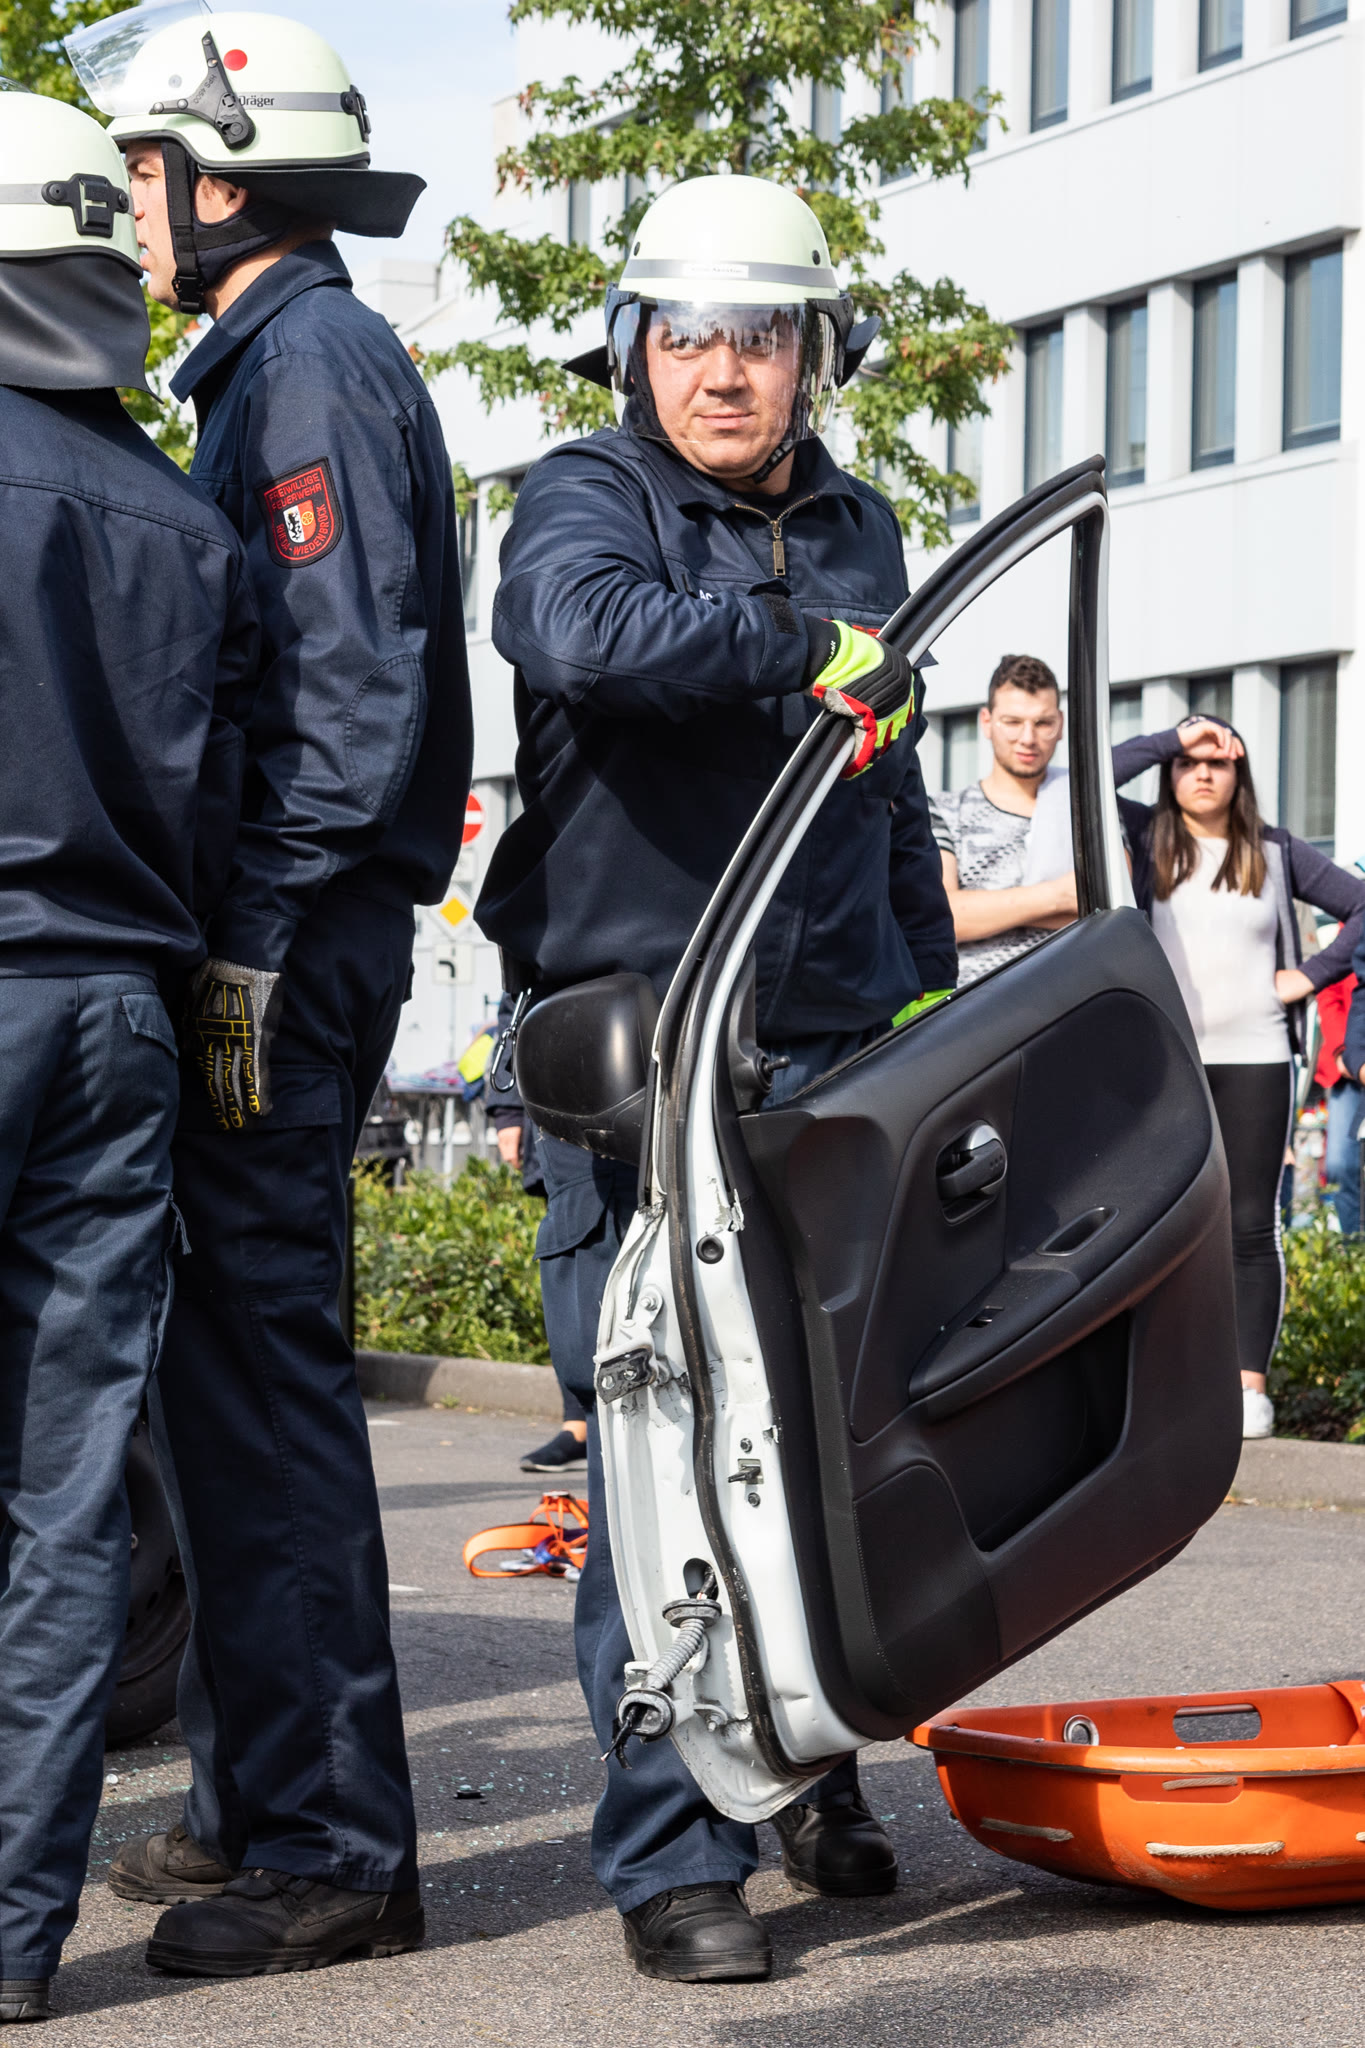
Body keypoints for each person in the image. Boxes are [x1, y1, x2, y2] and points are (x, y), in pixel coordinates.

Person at [475, 173, 957, 1983]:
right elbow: (581, 636)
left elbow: (883, 774)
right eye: (686, 336)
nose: (723, 371)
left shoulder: (858, 523)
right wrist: (800, 648)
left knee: (834, 1442)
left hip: (832, 1038)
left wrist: (929, 985)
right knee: (662, 1450)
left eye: (759, 336)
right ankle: (674, 1857)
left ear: (814, 355)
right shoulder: (582, 497)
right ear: (634, 350)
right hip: (643, 1049)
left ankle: (813, 1768)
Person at [67, 6, 473, 1977]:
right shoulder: (270, 359)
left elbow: (351, 687)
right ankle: (255, 1799)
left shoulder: (305, 365)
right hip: (286, 934)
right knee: (217, 1378)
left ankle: (337, 1850)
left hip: (289, 947)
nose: (125, 207)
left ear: (223, 181)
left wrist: (259, 931)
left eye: (142, 171)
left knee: (265, 1382)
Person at [0, 89, 258, 2023]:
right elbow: (230, 812)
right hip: (119, 1017)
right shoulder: (187, 520)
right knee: (68, 1497)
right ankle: (12, 1938)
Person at [1114, 716, 1365, 1441]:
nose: (1201, 773)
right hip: (1166, 1058)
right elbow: (1090, 778)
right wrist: (1172, 736)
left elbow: (1360, 905)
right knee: (1162, 1220)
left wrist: (1310, 976)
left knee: (1250, 1223)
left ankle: (1248, 1387)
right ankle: (1169, 1381)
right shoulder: (1144, 836)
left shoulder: (1274, 851)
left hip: (1257, 1057)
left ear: (1238, 775)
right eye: (1187, 762)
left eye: (1217, 763)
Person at [486, 993, 587, 1473]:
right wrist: (507, 1109)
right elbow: (517, 1001)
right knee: (574, 1270)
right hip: (563, 1096)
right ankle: (580, 1425)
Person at [930, 653, 1076, 985]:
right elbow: (944, 918)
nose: (1028, 738)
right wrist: (1060, 896)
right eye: (1012, 722)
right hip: (977, 1006)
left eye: (1043, 723)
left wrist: (987, 910)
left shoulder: (1085, 803)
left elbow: (1110, 904)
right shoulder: (944, 810)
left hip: (1071, 999)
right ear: (986, 721)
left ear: (1061, 724)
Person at [1316, 974, 1363, 1237]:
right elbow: (1329, 994)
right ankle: (1352, 1247)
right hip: (1350, 1068)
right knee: (1340, 1164)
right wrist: (1342, 1050)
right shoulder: (1350, 947)